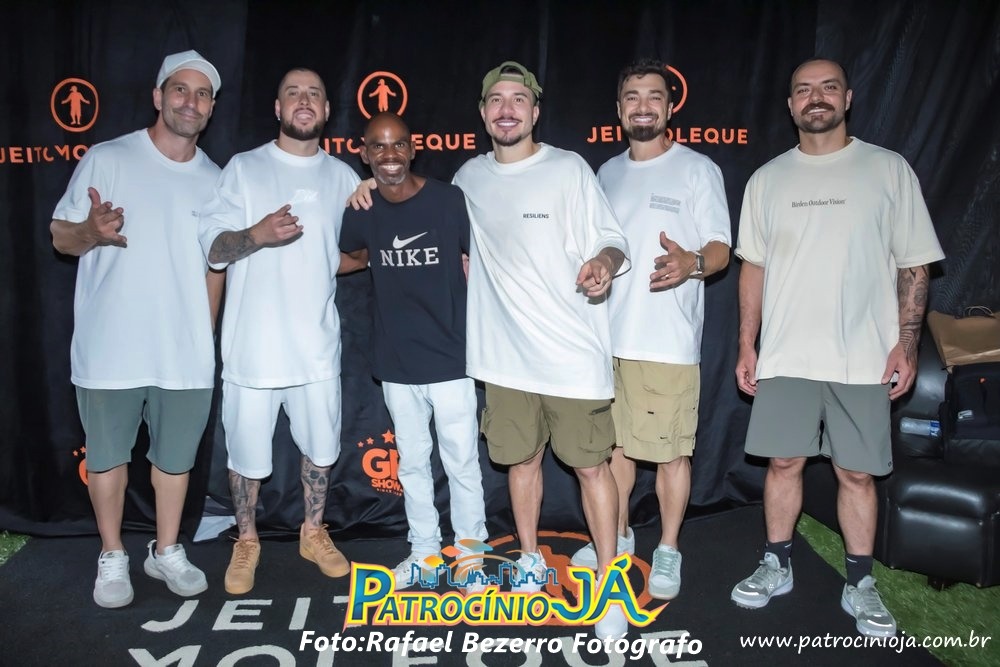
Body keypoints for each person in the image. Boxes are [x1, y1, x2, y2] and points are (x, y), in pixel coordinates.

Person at [730, 58, 944, 637]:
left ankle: (861, 583)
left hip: (863, 356)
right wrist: (747, 343)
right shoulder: (767, 179)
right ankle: (776, 564)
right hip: (786, 356)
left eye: (828, 87)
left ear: (847, 98)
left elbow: (914, 264)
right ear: (790, 105)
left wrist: (906, 345)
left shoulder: (887, 169)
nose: (816, 97)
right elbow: (753, 268)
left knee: (856, 473)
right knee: (783, 462)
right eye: (803, 89)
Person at [459, 61, 630, 639]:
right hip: (504, 360)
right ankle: (530, 560)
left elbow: (613, 240)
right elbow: (425, 218)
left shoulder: (568, 169)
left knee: (591, 467)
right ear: (483, 113)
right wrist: (368, 187)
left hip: (571, 356)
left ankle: (609, 584)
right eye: (496, 100)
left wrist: (603, 263)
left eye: (518, 100)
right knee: (522, 463)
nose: (507, 110)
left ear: (534, 111)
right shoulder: (468, 178)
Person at [50, 50, 224, 608]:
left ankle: (165, 550)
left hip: (184, 352)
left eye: (201, 94)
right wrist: (90, 231)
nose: (190, 102)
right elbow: (60, 237)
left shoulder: (218, 180)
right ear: (158, 96)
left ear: (211, 108)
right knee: (106, 459)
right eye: (180, 90)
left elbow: (215, 268)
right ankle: (112, 554)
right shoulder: (108, 158)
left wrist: (204, 338)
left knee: (175, 461)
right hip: (110, 347)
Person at [570, 59, 731, 602]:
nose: (643, 106)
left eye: (654, 96)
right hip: (605, 341)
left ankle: (668, 547)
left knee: (670, 455)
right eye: (632, 97)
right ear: (619, 110)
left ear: (670, 106)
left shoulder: (697, 169)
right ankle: (617, 535)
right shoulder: (605, 173)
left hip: (666, 342)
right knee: (615, 451)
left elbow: (721, 247)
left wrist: (693, 263)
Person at [198, 67, 360, 595]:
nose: (304, 100)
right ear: (277, 107)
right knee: (245, 457)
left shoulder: (343, 177)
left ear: (327, 110)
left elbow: (345, 253)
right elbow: (214, 248)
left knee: (321, 449)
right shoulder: (244, 169)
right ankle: (246, 539)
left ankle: (313, 532)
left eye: (314, 93)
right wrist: (258, 234)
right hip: (252, 349)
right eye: (293, 92)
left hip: (316, 349)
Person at [339, 112, 488, 591]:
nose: (389, 155)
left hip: (451, 359)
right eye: (378, 146)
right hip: (396, 363)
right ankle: (424, 553)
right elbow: (350, 257)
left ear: (413, 148)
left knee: (462, 464)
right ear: (364, 153)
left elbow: (481, 259)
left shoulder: (448, 200)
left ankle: (470, 558)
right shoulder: (361, 209)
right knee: (412, 465)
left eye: (398, 144)